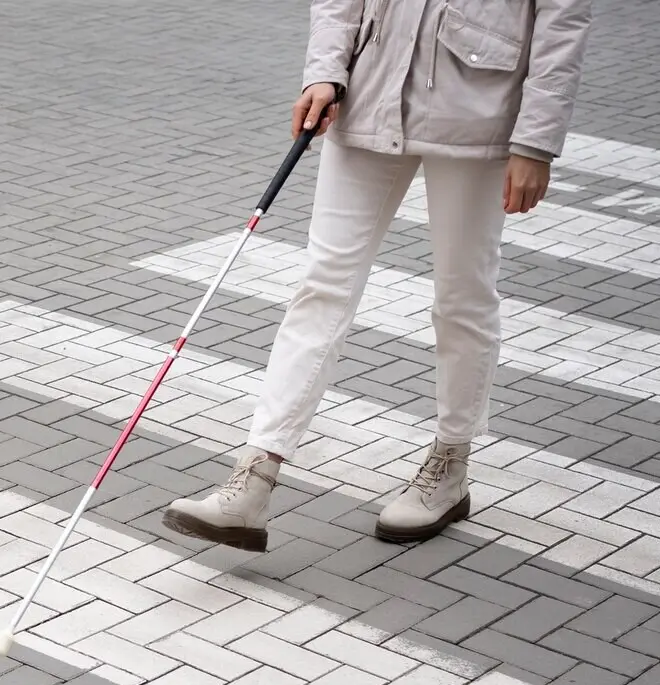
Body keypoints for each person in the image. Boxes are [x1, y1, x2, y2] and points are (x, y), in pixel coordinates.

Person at [164, 0, 593, 552]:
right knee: (321, 285)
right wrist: (325, 70)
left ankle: (451, 463)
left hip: (477, 109)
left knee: (461, 294)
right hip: (370, 94)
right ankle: (255, 476)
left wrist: (536, 140)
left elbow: (563, 20)